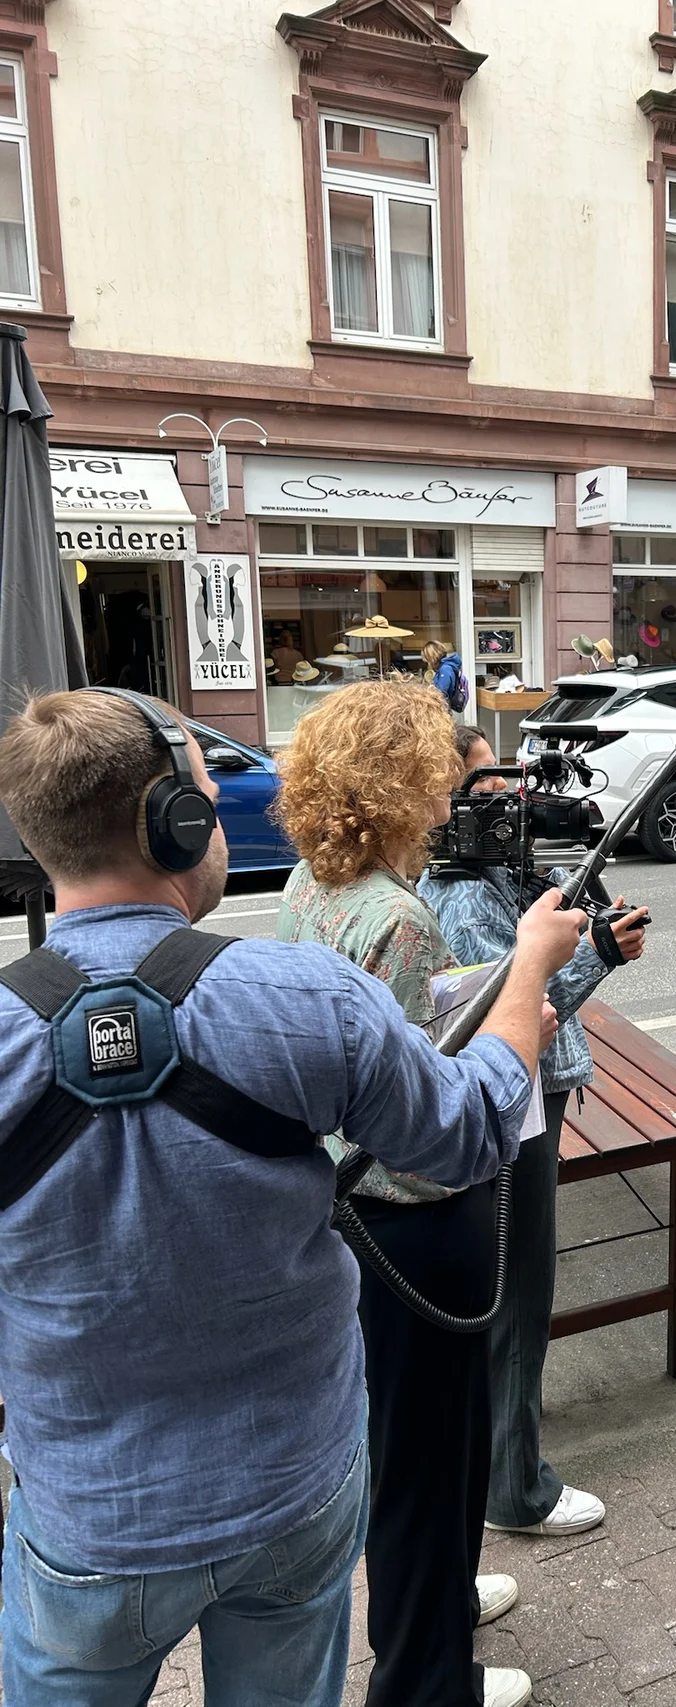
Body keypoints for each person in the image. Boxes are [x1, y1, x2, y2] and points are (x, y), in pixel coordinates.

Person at [0, 687, 584, 1707]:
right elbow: (469, 1131)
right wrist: (531, 975)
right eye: (205, 793)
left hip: (87, 1523)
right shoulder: (303, 1001)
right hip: (288, 1500)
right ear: (175, 822)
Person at [275, 683, 545, 1707]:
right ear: (396, 786)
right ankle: (427, 1678)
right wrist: (525, 1005)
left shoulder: (314, 885)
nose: (445, 803)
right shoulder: (395, 916)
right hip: (417, 1217)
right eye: (432, 781)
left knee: (402, 1443)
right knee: (432, 1447)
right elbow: (430, 1113)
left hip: (351, 1213)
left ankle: (431, 1608)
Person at [420, 727, 647, 1538]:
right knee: (518, 1298)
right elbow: (515, 1013)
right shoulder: (456, 891)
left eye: (507, 779)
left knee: (512, 1294)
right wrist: (599, 955)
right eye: (483, 785)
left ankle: (503, 1462)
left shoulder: (493, 871)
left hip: (518, 1105)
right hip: (514, 1109)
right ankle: (517, 1489)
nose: (506, 797)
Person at [425, 638, 469, 712]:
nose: (427, 661)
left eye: (427, 658)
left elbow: (440, 692)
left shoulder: (445, 669)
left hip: (442, 709)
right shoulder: (445, 667)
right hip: (444, 708)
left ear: (432, 656)